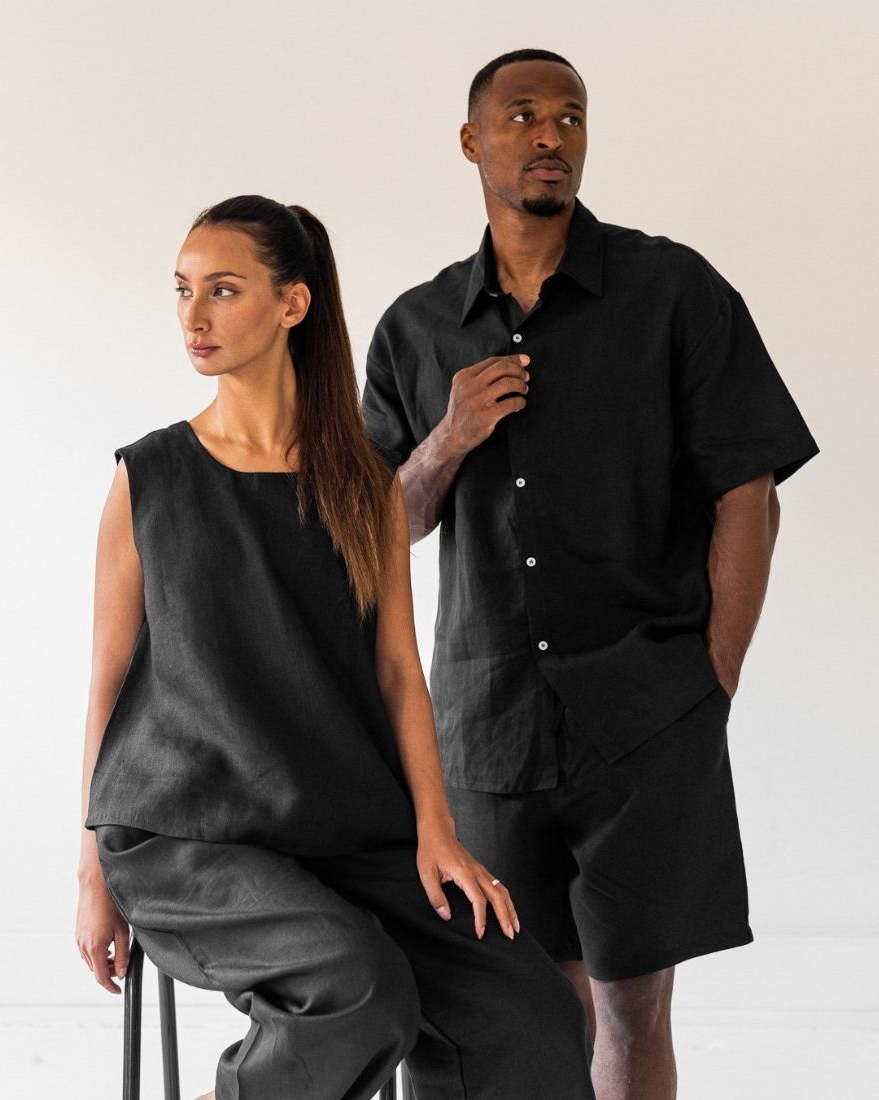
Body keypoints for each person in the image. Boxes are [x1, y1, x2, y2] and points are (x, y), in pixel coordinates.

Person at [362, 49, 819, 1100]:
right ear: (472, 141)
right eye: (522, 115)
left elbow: (748, 492)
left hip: (646, 717)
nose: (549, 136)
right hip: (487, 727)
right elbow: (379, 528)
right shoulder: (416, 328)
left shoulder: (672, 291)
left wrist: (711, 680)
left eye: (569, 117)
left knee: (632, 1006)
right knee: (528, 1007)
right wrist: (448, 438)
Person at [75, 195, 593, 1100]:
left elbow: (398, 673)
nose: (194, 316)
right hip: (186, 840)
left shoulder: (361, 484)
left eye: (223, 290)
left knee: (532, 1008)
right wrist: (91, 874)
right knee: (356, 986)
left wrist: (438, 831)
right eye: (183, 290)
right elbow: (107, 685)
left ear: (293, 303)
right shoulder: (150, 479)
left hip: (342, 829)